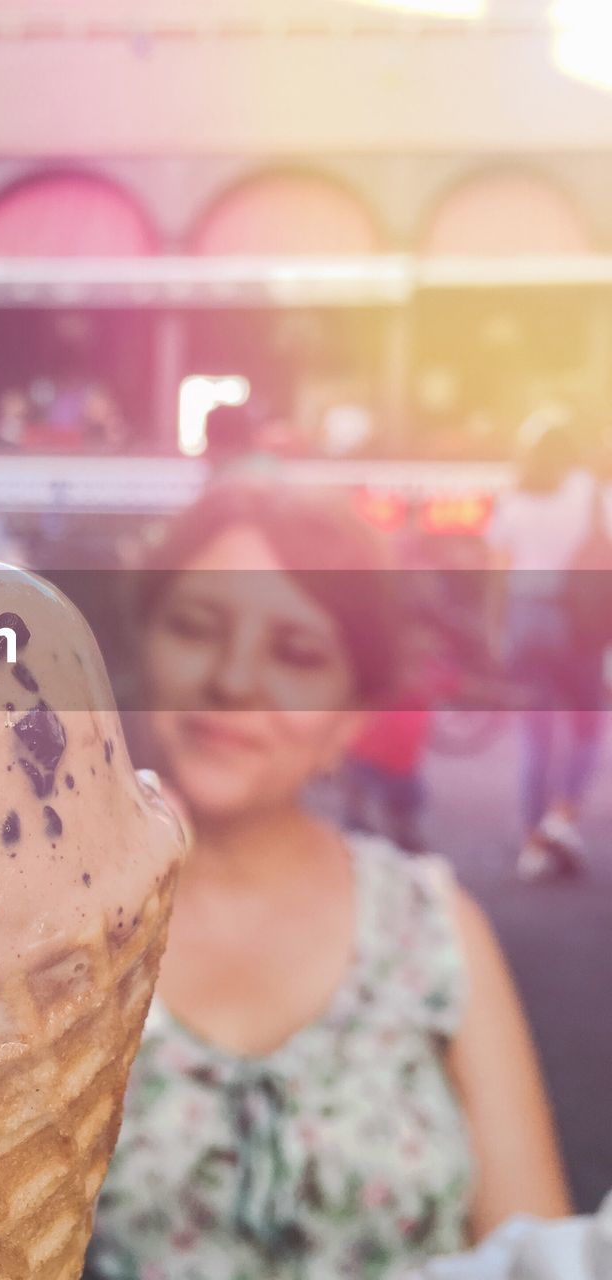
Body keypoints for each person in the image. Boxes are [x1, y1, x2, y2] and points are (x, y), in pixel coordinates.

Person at [88, 483, 569, 1280]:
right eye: (196, 629)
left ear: (352, 718)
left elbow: (536, 1250)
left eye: (298, 654)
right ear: (141, 646)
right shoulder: (46, 932)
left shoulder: (433, 926)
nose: (235, 679)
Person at [485, 422, 606, 881]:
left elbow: (498, 571)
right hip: (576, 617)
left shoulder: (513, 498)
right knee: (587, 726)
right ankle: (563, 817)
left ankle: (533, 846)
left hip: (523, 618)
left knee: (535, 736)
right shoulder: (589, 492)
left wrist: (496, 628)